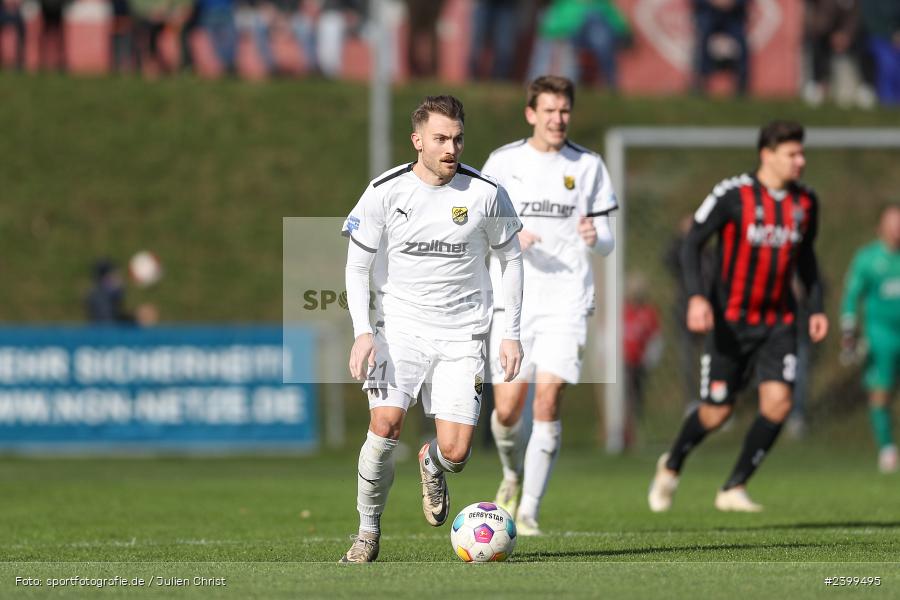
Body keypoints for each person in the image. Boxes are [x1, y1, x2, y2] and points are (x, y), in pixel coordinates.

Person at [338, 95, 524, 563]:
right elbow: (356, 266)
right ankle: (366, 533)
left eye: (458, 138)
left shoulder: (485, 192)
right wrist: (364, 332)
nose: (451, 148)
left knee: (457, 452)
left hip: (463, 335)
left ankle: (433, 462)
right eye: (440, 139)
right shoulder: (385, 190)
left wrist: (510, 332)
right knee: (384, 426)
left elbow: (511, 259)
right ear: (417, 140)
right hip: (398, 330)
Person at [648, 120, 829, 513]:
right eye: (792, 154)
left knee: (779, 403)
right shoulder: (732, 194)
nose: (801, 161)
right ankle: (672, 463)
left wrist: (815, 308)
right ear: (767, 155)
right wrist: (697, 297)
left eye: (802, 153)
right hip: (730, 321)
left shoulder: (806, 202)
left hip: (779, 320)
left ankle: (734, 486)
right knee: (716, 412)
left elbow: (808, 258)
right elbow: (692, 241)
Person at [482, 75, 617, 535]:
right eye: (549, 111)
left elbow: (607, 242)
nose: (558, 119)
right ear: (531, 113)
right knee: (505, 411)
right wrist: (510, 234)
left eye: (564, 111)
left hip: (567, 301)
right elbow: (480, 227)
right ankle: (512, 474)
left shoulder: (588, 166)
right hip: (512, 302)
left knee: (548, 397)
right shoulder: (503, 163)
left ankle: (530, 510)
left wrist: (597, 237)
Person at [840, 203, 900, 473]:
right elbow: (852, 296)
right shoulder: (867, 258)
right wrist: (849, 330)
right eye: (892, 221)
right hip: (881, 335)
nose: (896, 227)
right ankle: (887, 449)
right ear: (881, 226)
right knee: (881, 391)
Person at [692, 0, 749, 96]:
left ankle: (742, 84)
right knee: (703, 39)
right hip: (708, 11)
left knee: (741, 42)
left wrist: (731, 3)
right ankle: (700, 82)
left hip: (734, 13)